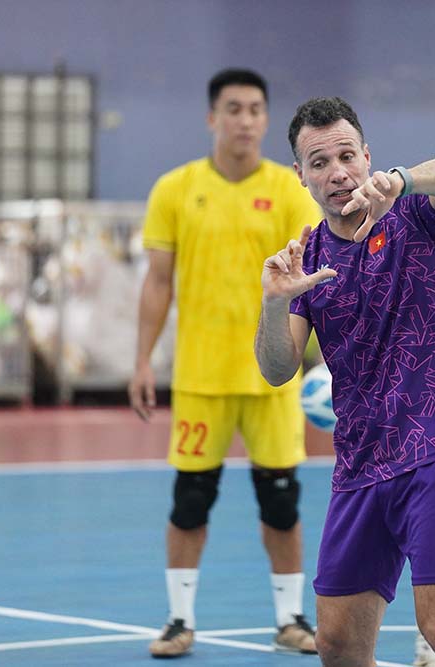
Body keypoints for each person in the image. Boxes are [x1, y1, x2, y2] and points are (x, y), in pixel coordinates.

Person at [254, 96, 435, 667]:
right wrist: (274, 303)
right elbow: (276, 368)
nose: (337, 172)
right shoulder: (307, 260)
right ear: (301, 175)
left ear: (367, 156)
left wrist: (403, 180)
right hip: (362, 463)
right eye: (319, 163)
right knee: (337, 643)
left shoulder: (416, 216)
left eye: (347, 156)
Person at [128, 68, 322, 658]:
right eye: (234, 109)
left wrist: (322, 360)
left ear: (266, 120)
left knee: (281, 503)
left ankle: (290, 618)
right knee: (190, 501)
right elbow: (158, 284)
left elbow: (311, 284)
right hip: (201, 378)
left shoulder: (289, 190)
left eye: (255, 109)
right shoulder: (175, 189)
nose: (245, 120)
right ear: (213, 117)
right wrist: (141, 361)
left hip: (274, 376)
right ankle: (178, 620)